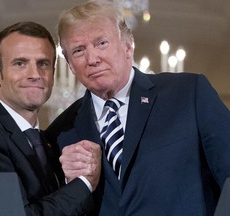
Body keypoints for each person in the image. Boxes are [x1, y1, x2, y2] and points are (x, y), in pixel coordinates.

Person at [44, 1, 230, 216]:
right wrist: (71, 184)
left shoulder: (188, 93)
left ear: (128, 46)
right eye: (78, 51)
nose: (92, 59)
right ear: (69, 65)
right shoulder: (60, 133)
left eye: (102, 43)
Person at [0, 21, 102, 216]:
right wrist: (84, 184)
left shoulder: (48, 141)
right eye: (20, 63)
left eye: (43, 64)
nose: (35, 74)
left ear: (53, 75)